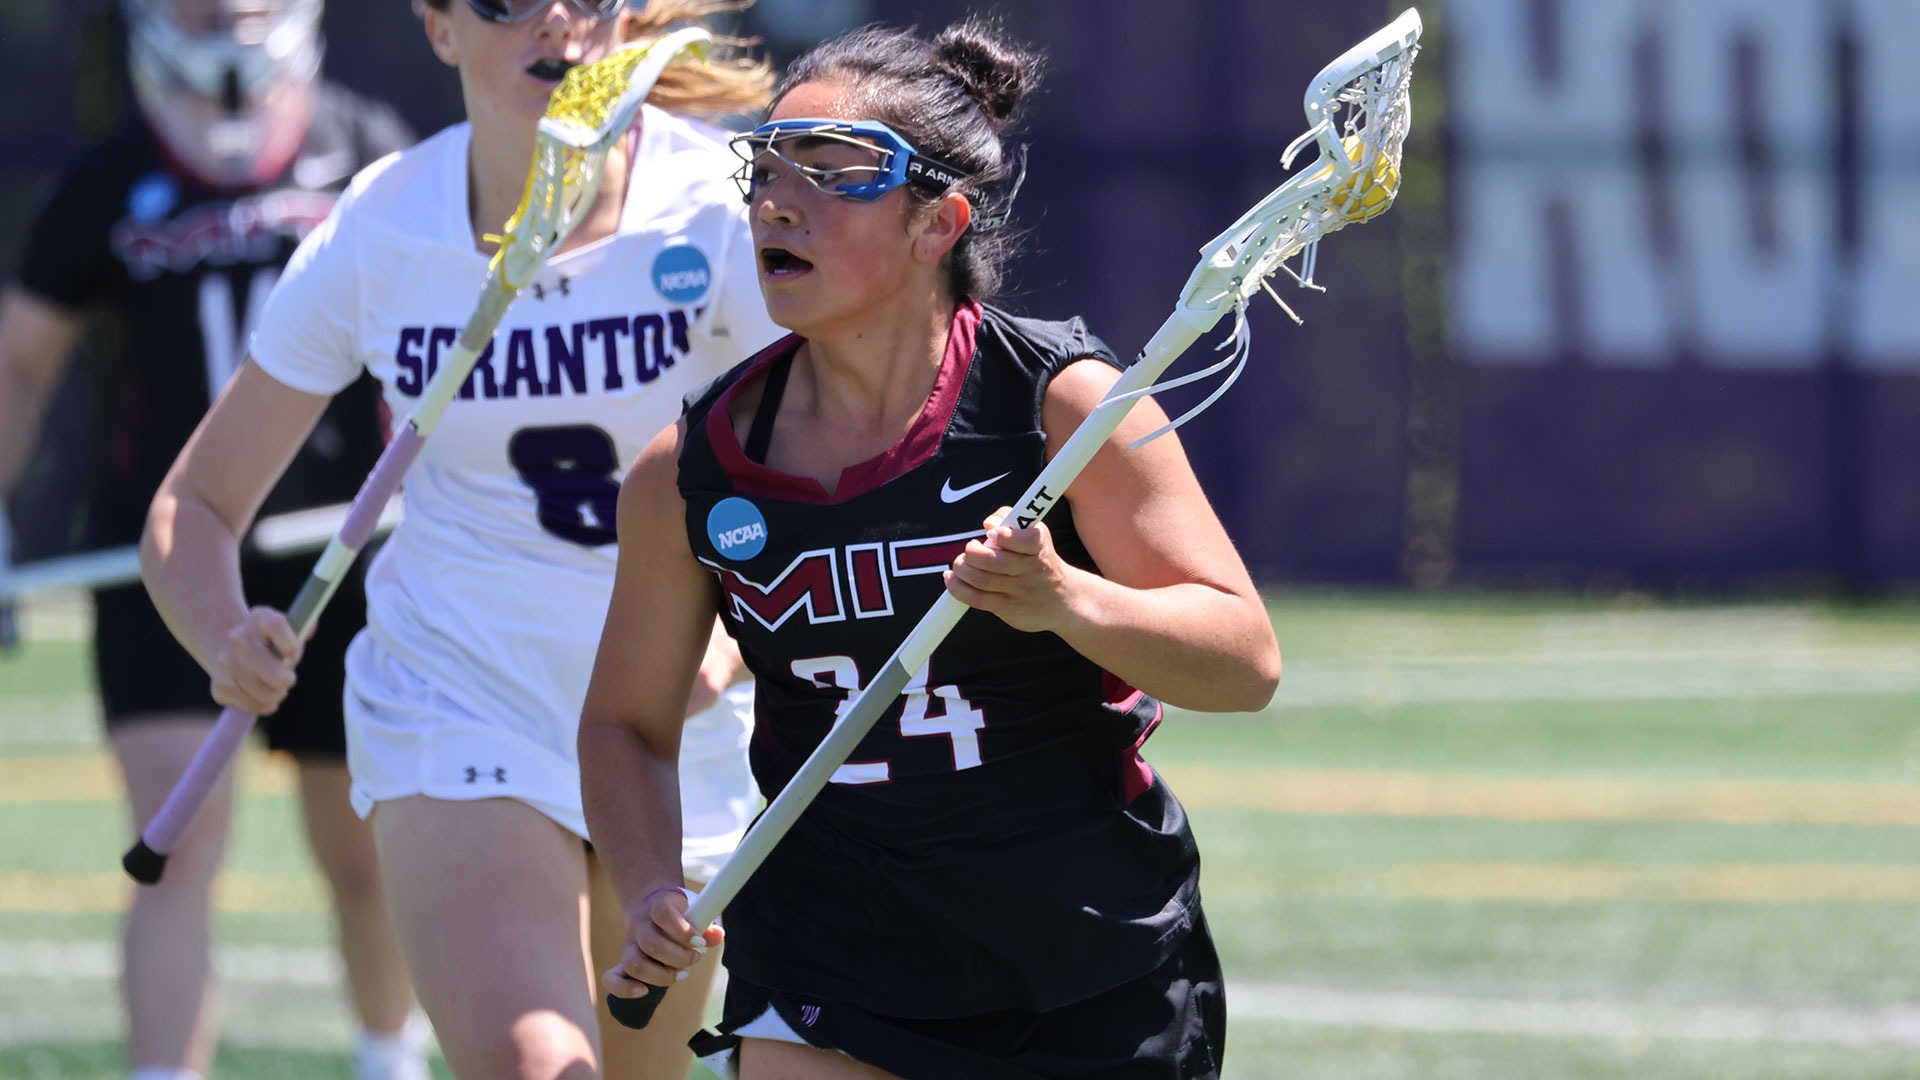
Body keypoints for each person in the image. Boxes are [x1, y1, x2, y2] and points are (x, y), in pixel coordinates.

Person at [582, 16, 1284, 1080]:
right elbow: (625, 724)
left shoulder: (1066, 410)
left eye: (832, 174)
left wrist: (1066, 601)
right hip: (828, 948)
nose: (777, 202)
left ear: (937, 223)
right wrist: (646, 886)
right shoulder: (692, 470)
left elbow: (1244, 663)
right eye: (766, 169)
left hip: (1086, 958)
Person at [139, 0, 780, 1076]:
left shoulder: (722, 207)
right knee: (538, 1066)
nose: (554, 20)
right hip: (462, 686)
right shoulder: (386, 224)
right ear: (439, 29)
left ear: (623, 21)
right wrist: (222, 633)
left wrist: (736, 635)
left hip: (673, 721)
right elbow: (192, 507)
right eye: (504, 0)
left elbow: (835, 474)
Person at [0, 3, 426, 1078]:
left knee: (366, 850)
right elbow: (20, 365)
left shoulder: (368, 148)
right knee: (174, 840)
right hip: (170, 548)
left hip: (346, 552)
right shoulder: (112, 177)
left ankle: (388, 1059)